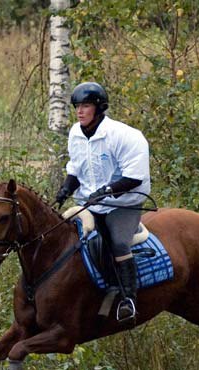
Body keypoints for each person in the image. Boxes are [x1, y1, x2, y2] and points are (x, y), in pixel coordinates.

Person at [55, 81, 151, 322]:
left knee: (118, 243)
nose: (79, 111)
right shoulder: (76, 133)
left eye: (85, 106)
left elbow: (134, 177)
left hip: (124, 203)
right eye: (77, 106)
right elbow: (75, 169)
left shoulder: (125, 136)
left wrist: (107, 190)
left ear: (98, 108)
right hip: (91, 202)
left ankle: (128, 299)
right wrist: (66, 188)